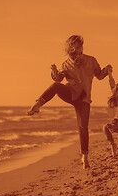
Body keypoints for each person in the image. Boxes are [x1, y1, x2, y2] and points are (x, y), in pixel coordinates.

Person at [27, 35, 112, 169]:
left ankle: (85, 157)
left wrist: (107, 71)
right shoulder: (65, 63)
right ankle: (38, 104)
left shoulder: (91, 60)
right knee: (55, 87)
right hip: (71, 93)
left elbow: (100, 76)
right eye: (76, 47)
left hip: (84, 98)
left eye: (80, 46)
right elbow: (58, 80)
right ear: (70, 49)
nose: (79, 49)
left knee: (83, 127)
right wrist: (54, 72)